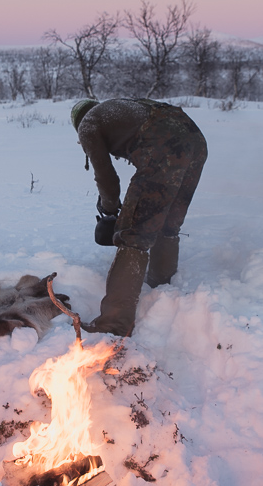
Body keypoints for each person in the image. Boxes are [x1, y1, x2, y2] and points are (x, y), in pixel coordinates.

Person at [71, 98, 207, 336]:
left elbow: (107, 179)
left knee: (134, 235)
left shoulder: (88, 125)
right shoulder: (120, 107)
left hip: (163, 148)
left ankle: (113, 325)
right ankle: (162, 288)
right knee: (166, 223)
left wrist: (110, 210)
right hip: (196, 141)